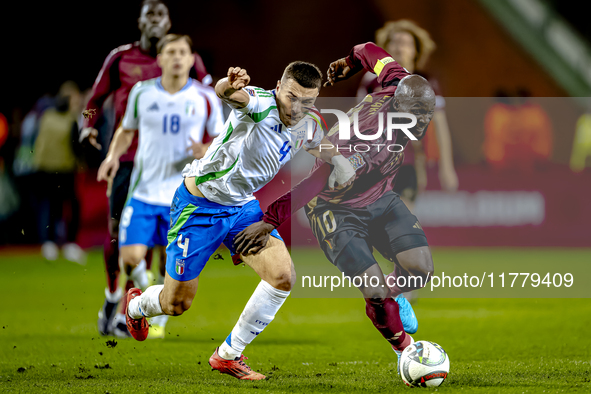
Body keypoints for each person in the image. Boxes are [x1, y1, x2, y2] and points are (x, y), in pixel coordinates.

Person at [124, 61, 356, 380]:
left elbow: (317, 142)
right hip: (199, 205)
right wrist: (229, 84)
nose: (297, 108)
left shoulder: (310, 121)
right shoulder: (260, 103)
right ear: (278, 87)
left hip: (241, 208)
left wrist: (340, 160)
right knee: (175, 304)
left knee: (282, 276)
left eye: (307, 101)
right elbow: (229, 94)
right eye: (291, 97)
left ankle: (228, 354)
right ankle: (137, 306)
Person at [234, 42, 436, 366]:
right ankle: (406, 351)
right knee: (375, 293)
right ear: (399, 108)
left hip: (379, 197)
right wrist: (270, 219)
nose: (424, 122)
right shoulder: (369, 141)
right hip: (334, 208)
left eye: (428, 113)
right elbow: (317, 181)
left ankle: (393, 299)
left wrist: (349, 62)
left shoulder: (398, 81)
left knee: (421, 269)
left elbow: (369, 49)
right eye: (417, 115)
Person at [80, 0, 211, 338]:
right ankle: (114, 297)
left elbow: (213, 98)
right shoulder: (121, 58)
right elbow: (93, 102)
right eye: (148, 15)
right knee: (117, 237)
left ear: (169, 22)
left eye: (160, 15)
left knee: (161, 241)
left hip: (177, 166)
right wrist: (87, 126)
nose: (154, 21)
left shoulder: (186, 60)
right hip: (129, 162)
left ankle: (139, 307)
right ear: (139, 22)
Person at [358, 20, 458, 212]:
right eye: (394, 42)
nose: (399, 48)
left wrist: (447, 167)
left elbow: (440, 126)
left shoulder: (426, 84)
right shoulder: (371, 81)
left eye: (405, 43)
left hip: (408, 162)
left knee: (401, 216)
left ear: (415, 51)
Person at [34, 82, 85, 264]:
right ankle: (70, 243)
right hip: (64, 168)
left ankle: (49, 243)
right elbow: (75, 146)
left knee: (50, 206)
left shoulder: (46, 116)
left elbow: (38, 141)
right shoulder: (71, 119)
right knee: (72, 206)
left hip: (44, 167)